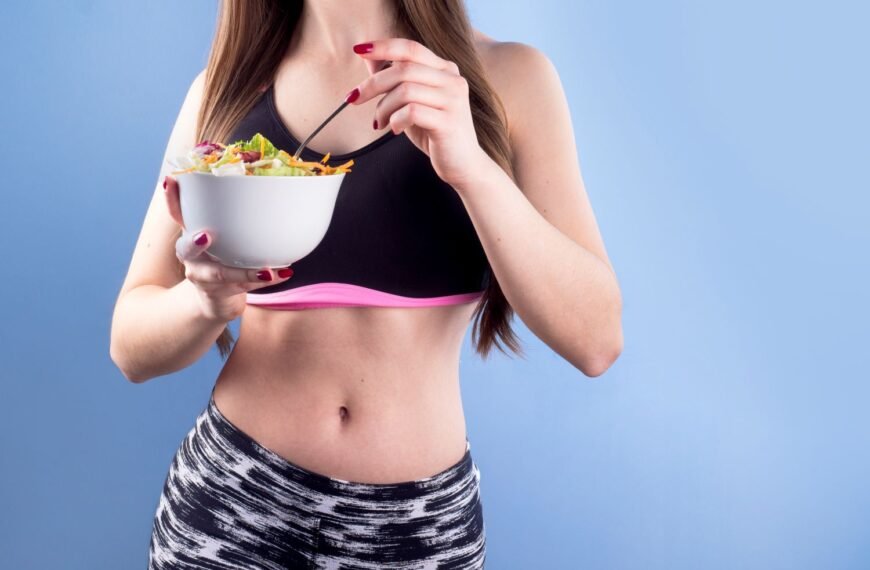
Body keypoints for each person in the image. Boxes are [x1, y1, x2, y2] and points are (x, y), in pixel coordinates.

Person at [110, 0, 623, 567]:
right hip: (234, 502)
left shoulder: (506, 79)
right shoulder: (223, 92)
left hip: (415, 530)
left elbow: (596, 340)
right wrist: (203, 301)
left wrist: (472, 168)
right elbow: (130, 347)